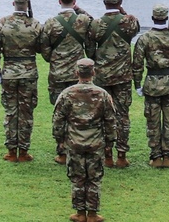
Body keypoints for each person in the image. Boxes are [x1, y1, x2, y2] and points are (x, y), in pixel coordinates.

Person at [52, 58, 117, 222]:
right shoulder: (103, 94)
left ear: (76, 73)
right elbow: (110, 120)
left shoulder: (67, 94)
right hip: (96, 142)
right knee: (94, 178)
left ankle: (80, 213)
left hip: (74, 142)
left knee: (77, 177)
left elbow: (58, 119)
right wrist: (110, 142)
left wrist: (60, 140)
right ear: (93, 72)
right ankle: (93, 214)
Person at [40, 0, 94, 164]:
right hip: (76, 74)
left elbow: (45, 49)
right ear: (74, 1)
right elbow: (94, 26)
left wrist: (54, 60)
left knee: (59, 113)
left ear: (59, 1)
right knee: (78, 111)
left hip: (57, 73)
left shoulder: (50, 22)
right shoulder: (83, 20)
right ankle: (77, 145)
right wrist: (79, 10)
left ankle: (61, 150)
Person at [88, 0, 140, 168]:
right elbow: (135, 26)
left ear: (104, 3)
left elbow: (90, 50)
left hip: (102, 77)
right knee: (122, 115)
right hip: (123, 77)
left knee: (102, 116)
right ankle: (122, 155)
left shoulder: (96, 24)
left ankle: (107, 153)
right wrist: (123, 12)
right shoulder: (129, 22)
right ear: (120, 2)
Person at [132, 4, 169, 168]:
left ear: (152, 18)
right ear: (167, 18)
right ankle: (168, 157)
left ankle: (155, 156)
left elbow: (137, 64)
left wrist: (137, 84)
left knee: (153, 121)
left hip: (152, 84)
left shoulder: (144, 38)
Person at [0, 0, 43, 162]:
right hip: (28, 72)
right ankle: (24, 150)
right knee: (26, 112)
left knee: (11, 111)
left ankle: (11, 150)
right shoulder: (35, 24)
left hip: (9, 72)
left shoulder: (2, 23)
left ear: (14, 3)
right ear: (26, 4)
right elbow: (42, 48)